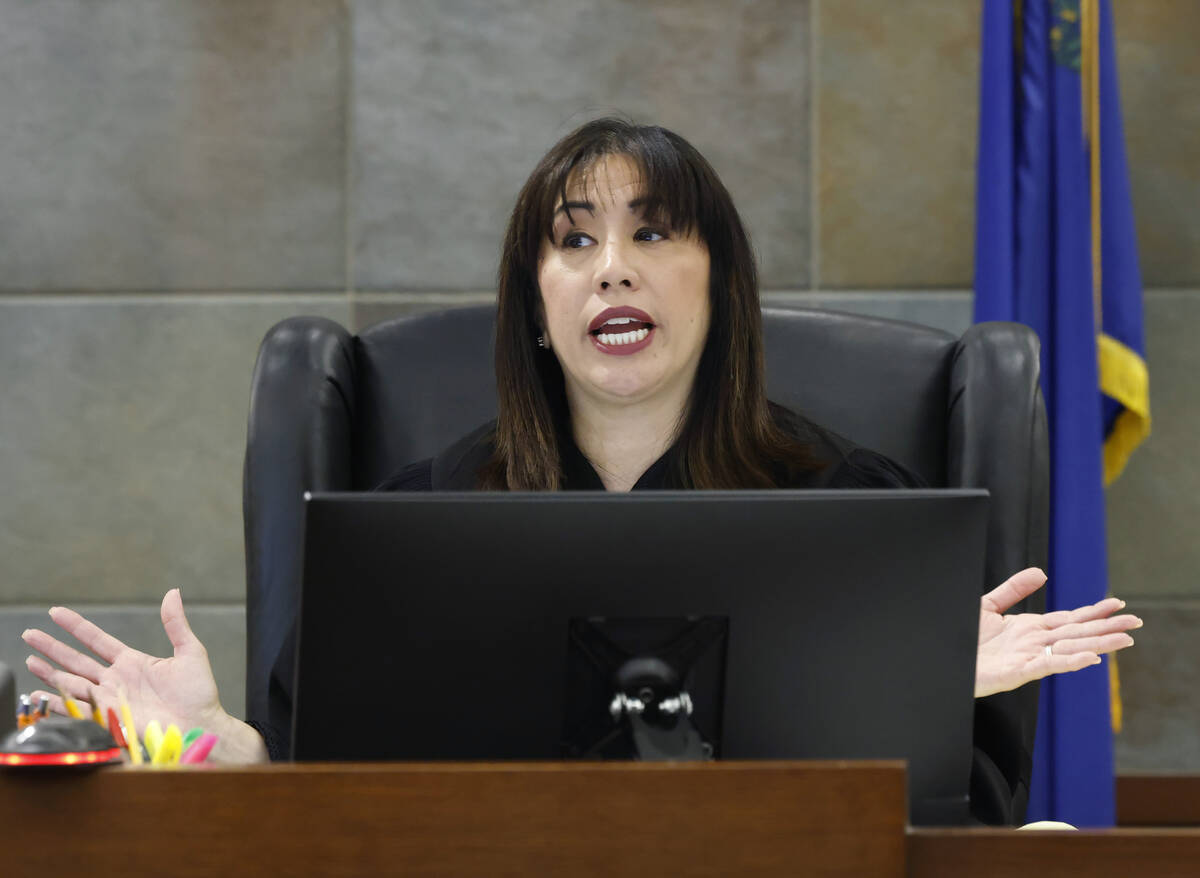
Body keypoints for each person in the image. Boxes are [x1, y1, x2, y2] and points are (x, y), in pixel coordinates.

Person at [21, 118, 1140, 820]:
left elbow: (964, 822)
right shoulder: (418, 517)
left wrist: (924, 694)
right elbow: (318, 789)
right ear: (539, 309)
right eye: (574, 240)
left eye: (654, 235)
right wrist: (214, 737)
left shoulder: (856, 504)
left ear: (718, 285)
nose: (613, 270)